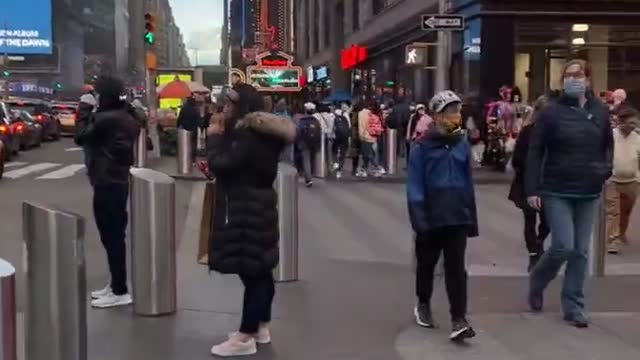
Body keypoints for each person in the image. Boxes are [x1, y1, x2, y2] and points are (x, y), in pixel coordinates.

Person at [206, 84, 296, 357]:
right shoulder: (262, 134)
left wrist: (213, 138)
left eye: (231, 104)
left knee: (253, 272)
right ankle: (260, 326)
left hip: (246, 208)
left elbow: (221, 164)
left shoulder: (247, 136)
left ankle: (246, 336)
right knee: (260, 270)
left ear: (242, 106)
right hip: (259, 205)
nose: (226, 108)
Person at [526, 59, 613, 328]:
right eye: (568, 75)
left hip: (589, 189)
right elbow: (535, 150)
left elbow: (607, 145)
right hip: (557, 188)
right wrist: (532, 188)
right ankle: (537, 281)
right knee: (563, 245)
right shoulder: (551, 112)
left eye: (578, 75)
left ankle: (574, 305)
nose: (573, 79)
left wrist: (605, 169)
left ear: (588, 80)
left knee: (580, 252)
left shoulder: (600, 111)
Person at [407, 90, 478, 341]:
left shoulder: (461, 143)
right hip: (431, 215)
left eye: (457, 111)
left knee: (456, 268)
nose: (455, 116)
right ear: (436, 116)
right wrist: (420, 219)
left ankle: (459, 318)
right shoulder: (422, 147)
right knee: (426, 265)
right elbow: (415, 185)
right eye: (449, 112)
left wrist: (471, 216)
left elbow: (467, 181)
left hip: (457, 214)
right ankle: (423, 303)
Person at [74, 76, 141, 308]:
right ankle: (116, 284)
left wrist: (84, 108)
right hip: (117, 180)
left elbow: (80, 136)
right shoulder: (126, 116)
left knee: (111, 237)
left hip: (106, 181)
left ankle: (120, 290)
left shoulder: (105, 119)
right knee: (115, 236)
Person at [508, 96, 550, 271]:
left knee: (548, 221)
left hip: (549, 183)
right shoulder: (527, 132)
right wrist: (528, 171)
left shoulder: (555, 132)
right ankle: (533, 253)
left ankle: (539, 241)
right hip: (528, 182)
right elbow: (517, 158)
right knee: (530, 218)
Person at [606, 106, 640, 254]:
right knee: (613, 212)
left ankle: (621, 233)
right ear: (621, 121)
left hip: (632, 181)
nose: (633, 126)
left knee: (625, 212)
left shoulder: (638, 138)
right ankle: (612, 241)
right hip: (612, 180)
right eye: (631, 123)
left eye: (636, 123)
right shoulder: (610, 135)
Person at [296, 102, 323, 187]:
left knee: (306, 160)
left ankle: (308, 179)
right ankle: (311, 174)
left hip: (304, 143)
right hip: (314, 143)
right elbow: (319, 132)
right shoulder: (316, 121)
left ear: (305, 110)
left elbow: (299, 132)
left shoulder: (302, 121)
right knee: (312, 160)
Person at [358, 101, 382, 177]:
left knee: (368, 154)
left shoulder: (361, 114)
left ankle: (377, 168)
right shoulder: (371, 113)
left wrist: (361, 135)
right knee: (368, 154)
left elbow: (362, 126)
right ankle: (364, 169)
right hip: (373, 136)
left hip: (365, 136)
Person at [176, 95, 202, 161]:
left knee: (186, 143)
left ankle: (186, 157)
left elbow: (180, 118)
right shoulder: (196, 109)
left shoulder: (183, 108)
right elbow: (198, 120)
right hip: (194, 129)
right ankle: (193, 158)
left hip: (185, 129)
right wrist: (200, 126)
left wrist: (178, 126)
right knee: (193, 143)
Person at [332, 107, 351, 179]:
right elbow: (349, 127)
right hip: (345, 138)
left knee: (334, 151)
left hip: (336, 137)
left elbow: (332, 128)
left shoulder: (334, 117)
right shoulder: (346, 117)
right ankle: (339, 171)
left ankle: (335, 162)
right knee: (343, 155)